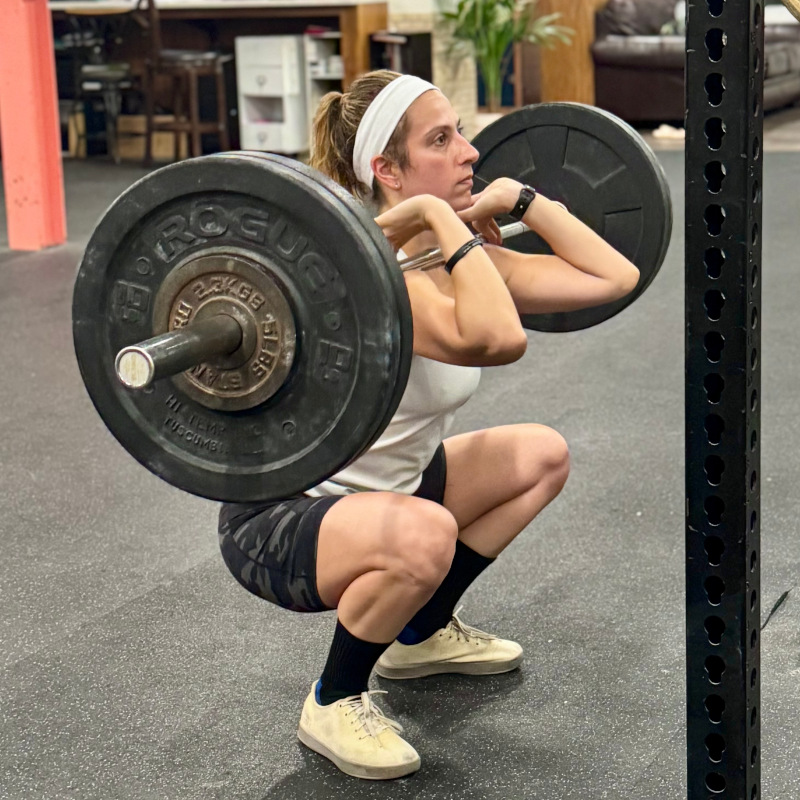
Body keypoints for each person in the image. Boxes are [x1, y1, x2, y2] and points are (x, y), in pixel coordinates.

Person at [217, 70, 640, 780]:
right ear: (387, 169)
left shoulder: (445, 260)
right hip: (285, 518)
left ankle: (420, 633)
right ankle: (335, 698)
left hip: (395, 487)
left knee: (541, 455)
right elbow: (497, 339)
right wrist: (444, 220)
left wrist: (523, 201)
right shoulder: (376, 279)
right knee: (428, 533)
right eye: (442, 139)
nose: (470, 153)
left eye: (463, 132)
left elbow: (614, 277)